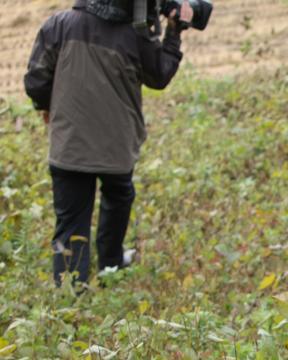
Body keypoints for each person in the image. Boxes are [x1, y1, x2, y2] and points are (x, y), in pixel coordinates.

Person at [24, 0, 193, 288]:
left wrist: (45, 105)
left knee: (71, 220)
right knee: (119, 199)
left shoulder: (59, 25)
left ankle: (70, 293)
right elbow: (160, 75)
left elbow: (36, 79)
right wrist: (174, 32)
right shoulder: (137, 36)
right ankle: (111, 264)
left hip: (69, 149)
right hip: (117, 150)